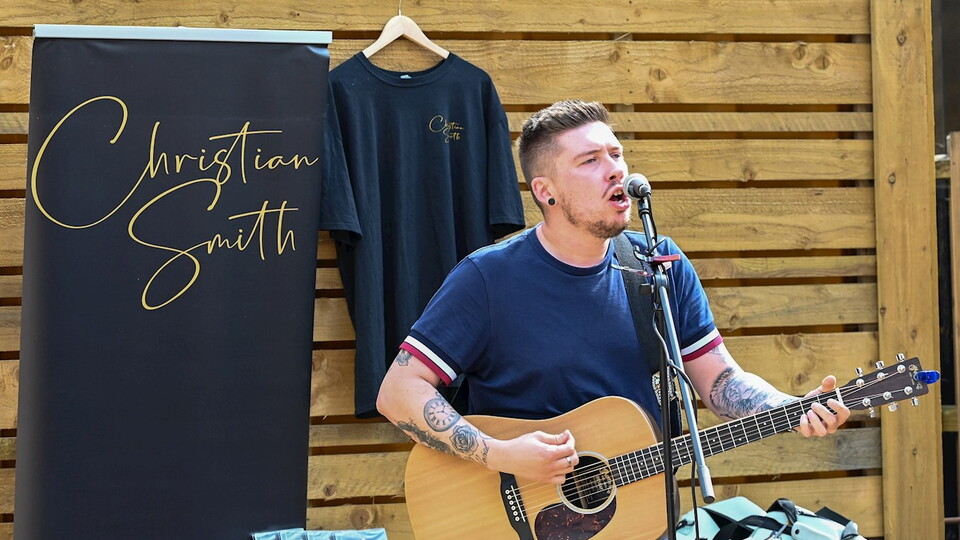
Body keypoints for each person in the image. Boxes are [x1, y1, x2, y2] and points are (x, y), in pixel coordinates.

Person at [376, 99, 850, 486]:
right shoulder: (486, 278)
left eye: (616, 155)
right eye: (590, 160)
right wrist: (501, 454)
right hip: (518, 517)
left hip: (641, 515)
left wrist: (786, 408)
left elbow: (719, 382)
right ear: (545, 190)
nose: (615, 171)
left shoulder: (659, 264)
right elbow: (399, 392)